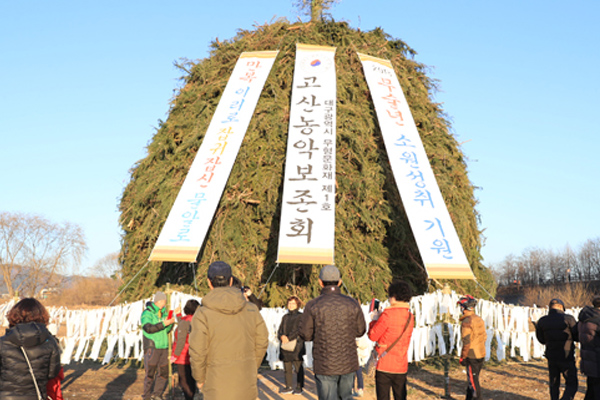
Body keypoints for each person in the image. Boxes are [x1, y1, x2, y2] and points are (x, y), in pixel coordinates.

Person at [188, 261, 269, 400]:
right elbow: (262, 341)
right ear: (231, 280)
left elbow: (198, 351)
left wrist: (199, 378)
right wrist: (251, 365)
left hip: (215, 383)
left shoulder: (202, 314)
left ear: (209, 282)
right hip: (245, 380)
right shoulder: (251, 309)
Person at [299, 265, 366, 400]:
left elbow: (305, 334)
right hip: (348, 362)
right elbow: (360, 331)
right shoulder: (352, 303)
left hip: (325, 363)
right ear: (340, 282)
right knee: (346, 397)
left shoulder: (313, 304)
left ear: (320, 282)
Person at [0, 298, 61, 399]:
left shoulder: (2, 342)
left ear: (13, 315)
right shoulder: (50, 342)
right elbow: (53, 373)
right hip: (36, 395)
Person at [367, 281, 414, 400]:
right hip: (401, 364)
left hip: (384, 363)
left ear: (393, 297)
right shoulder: (410, 316)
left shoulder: (387, 314)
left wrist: (374, 320)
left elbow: (373, 336)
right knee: (401, 396)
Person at [535, 298, 578, 400]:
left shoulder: (542, 321)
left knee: (554, 383)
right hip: (566, 355)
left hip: (551, 356)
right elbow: (577, 337)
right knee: (572, 383)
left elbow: (541, 340)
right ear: (560, 307)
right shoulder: (569, 319)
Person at [141, 291, 177, 400]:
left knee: (163, 373)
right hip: (152, 346)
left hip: (163, 346)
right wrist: (163, 324)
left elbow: (166, 330)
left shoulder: (164, 313)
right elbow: (148, 328)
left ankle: (157, 394)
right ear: (159, 301)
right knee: (150, 373)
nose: (165, 303)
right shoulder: (147, 313)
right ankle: (146, 396)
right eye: (164, 301)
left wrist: (170, 323)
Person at [458, 295, 487, 400]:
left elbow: (466, 342)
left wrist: (463, 357)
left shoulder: (466, 322)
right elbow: (484, 337)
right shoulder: (479, 319)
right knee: (472, 380)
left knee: (474, 384)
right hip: (481, 353)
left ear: (463, 308)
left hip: (471, 356)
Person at [172, 299, 201, 400]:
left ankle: (189, 398)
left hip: (183, 356)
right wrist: (179, 316)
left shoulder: (186, 321)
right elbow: (184, 327)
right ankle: (191, 397)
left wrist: (174, 356)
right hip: (194, 354)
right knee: (191, 380)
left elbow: (181, 339)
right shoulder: (198, 321)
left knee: (184, 381)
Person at [277, 295, 305, 395]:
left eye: (293, 303)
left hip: (297, 345)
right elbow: (280, 330)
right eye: (289, 303)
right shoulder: (285, 317)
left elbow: (299, 330)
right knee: (287, 367)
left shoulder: (301, 316)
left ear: (297, 305)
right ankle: (288, 386)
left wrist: (289, 337)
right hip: (285, 345)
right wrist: (281, 336)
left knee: (298, 367)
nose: (291, 305)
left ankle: (299, 386)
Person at [579, 296, 600, 400]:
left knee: (591, 391)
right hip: (597, 361)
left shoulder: (584, 319)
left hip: (587, 361)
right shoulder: (597, 320)